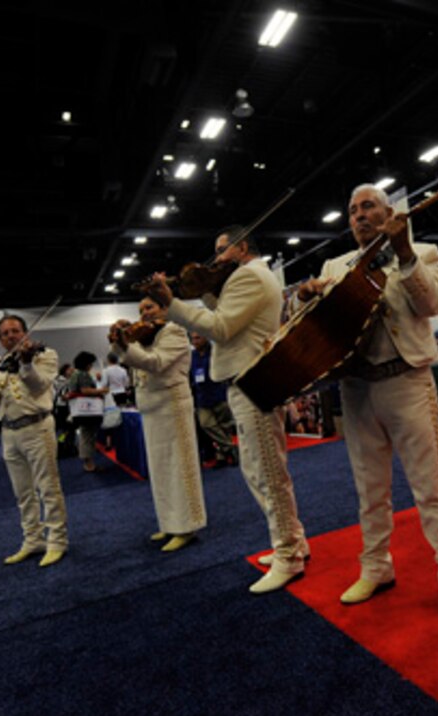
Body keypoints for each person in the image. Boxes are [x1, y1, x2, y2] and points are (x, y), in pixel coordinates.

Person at [297, 184, 438, 625]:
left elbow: (431, 303)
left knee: (430, 487)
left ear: (389, 211)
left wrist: (404, 252)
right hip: (355, 389)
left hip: (407, 381)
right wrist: (305, 300)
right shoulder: (334, 266)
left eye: (368, 206)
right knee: (369, 491)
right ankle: (375, 568)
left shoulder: (422, 251)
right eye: (353, 209)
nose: (359, 215)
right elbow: (315, 332)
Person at [146, 226, 309, 594]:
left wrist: (172, 304)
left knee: (266, 471)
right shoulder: (252, 277)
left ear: (243, 247)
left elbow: (219, 328)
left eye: (222, 250)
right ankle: (294, 540)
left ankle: (288, 554)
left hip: (251, 380)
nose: (216, 259)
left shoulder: (249, 277)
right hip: (249, 379)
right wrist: (202, 289)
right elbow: (225, 314)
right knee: (262, 469)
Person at [110, 297, 207, 553]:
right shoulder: (146, 338)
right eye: (140, 310)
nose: (144, 313)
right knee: (160, 469)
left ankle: (187, 527)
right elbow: (138, 365)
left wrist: (124, 345)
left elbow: (155, 363)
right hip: (152, 410)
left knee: (180, 467)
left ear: (164, 309)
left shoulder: (173, 331)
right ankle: (169, 522)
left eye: (150, 307)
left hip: (173, 406)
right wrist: (122, 344)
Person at [0, 315, 68, 567]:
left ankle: (57, 540)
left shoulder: (44, 355)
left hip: (38, 427)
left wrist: (26, 363)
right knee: (23, 492)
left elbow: (39, 385)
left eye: (15, 331)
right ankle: (33, 539)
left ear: (26, 333)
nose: (11, 336)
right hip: (8, 432)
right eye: (4, 333)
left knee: (48, 487)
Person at [189, 332, 237, 467]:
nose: (195, 341)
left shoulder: (216, 351)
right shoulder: (191, 356)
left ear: (206, 338)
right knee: (206, 424)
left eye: (198, 338)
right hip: (201, 397)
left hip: (219, 393)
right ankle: (231, 448)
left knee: (225, 426)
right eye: (192, 339)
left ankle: (222, 456)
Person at [64, 351, 107, 472]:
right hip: (87, 410)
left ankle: (88, 462)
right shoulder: (83, 374)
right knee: (88, 436)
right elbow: (85, 390)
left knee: (84, 435)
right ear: (86, 364)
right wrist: (101, 391)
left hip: (79, 410)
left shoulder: (74, 375)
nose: (92, 366)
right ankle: (89, 464)